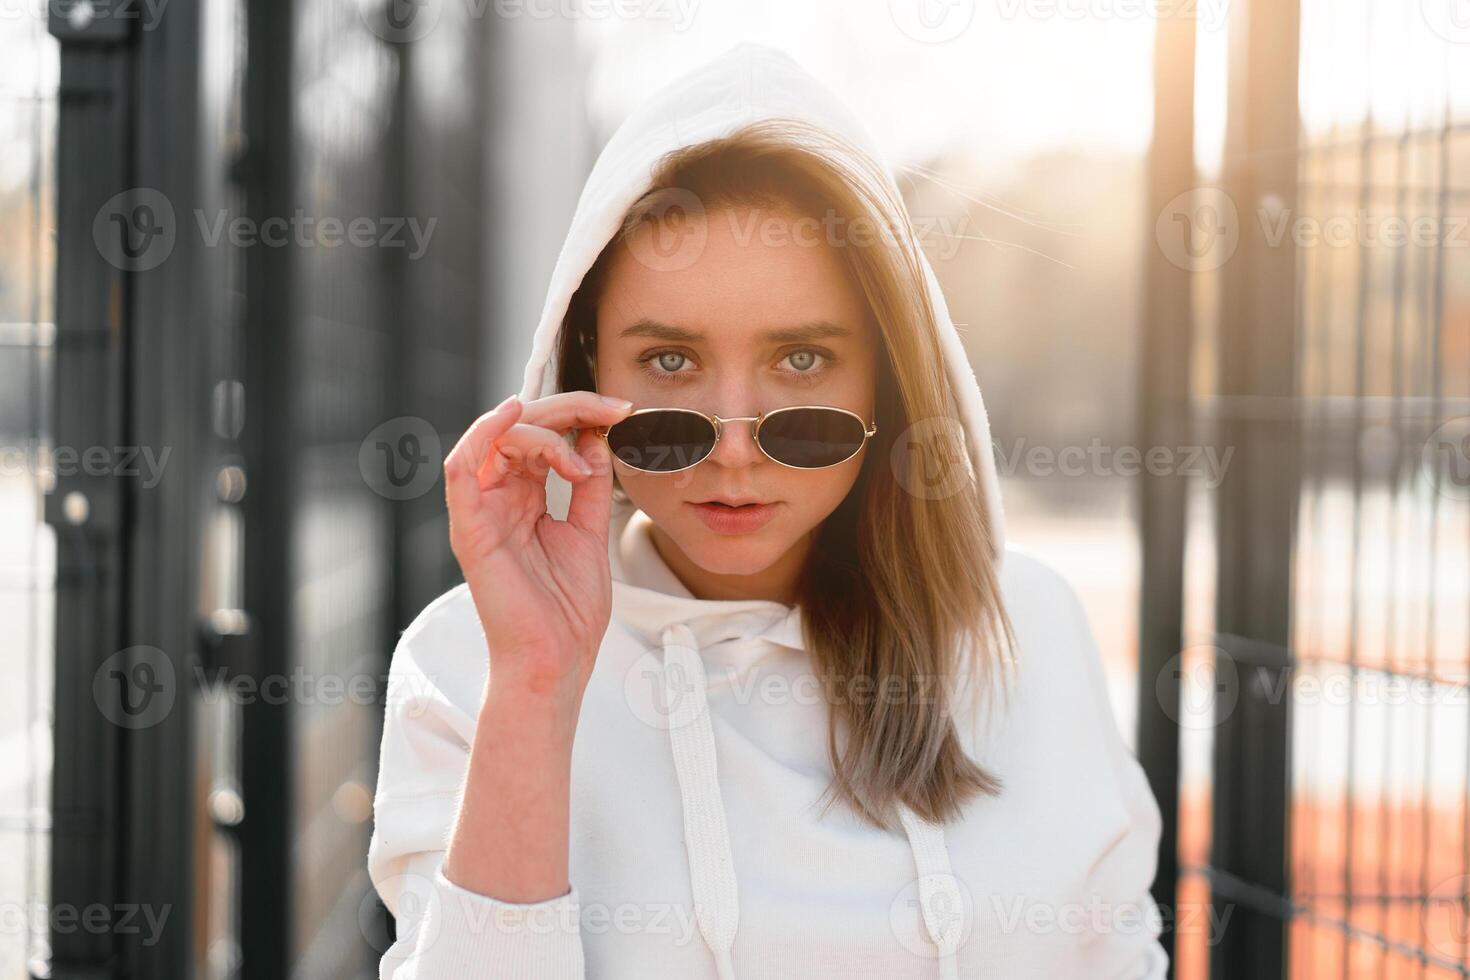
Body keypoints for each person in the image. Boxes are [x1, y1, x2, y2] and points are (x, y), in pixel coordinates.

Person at [367, 41, 1168, 979]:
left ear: (886, 379)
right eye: (669, 362)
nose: (736, 444)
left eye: (801, 362)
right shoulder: (472, 664)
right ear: (588, 371)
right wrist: (538, 688)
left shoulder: (1026, 626)